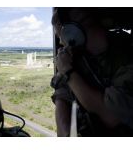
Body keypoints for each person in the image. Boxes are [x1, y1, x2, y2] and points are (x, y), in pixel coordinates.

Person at [51, 8, 133, 136]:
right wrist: (66, 133)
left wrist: (69, 72)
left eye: (61, 35)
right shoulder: (79, 56)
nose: (61, 42)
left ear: (72, 32)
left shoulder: (127, 53)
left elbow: (111, 116)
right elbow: (61, 91)